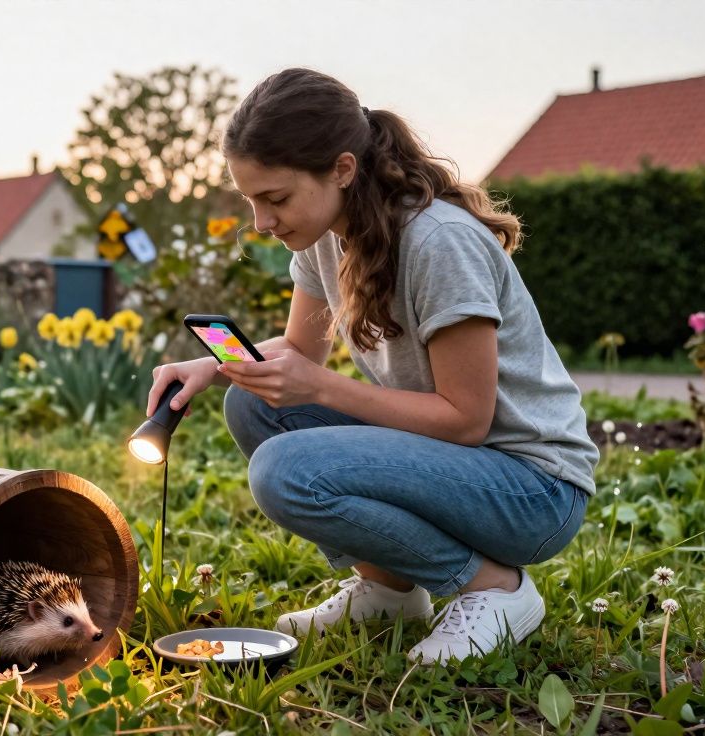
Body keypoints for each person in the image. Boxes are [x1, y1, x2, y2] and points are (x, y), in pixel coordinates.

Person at [144, 68, 598, 664]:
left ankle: (494, 588)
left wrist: (322, 387)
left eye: (275, 199)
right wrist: (216, 364)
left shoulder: (439, 242)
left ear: (342, 169)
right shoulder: (324, 236)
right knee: (254, 405)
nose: (261, 222)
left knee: (285, 470)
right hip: (456, 465)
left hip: (531, 490)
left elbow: (467, 421)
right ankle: (390, 590)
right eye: (251, 201)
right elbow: (300, 352)